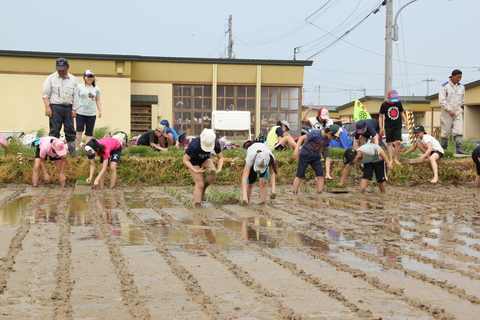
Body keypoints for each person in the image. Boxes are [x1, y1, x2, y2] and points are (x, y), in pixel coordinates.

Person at [42, 58, 79, 157]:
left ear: (67, 67)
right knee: (54, 130)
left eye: (63, 69)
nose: (61, 71)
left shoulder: (73, 79)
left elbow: (76, 95)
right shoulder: (50, 78)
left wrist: (74, 109)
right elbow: (45, 94)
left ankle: (72, 152)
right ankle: (53, 153)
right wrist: (47, 107)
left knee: (70, 130)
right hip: (55, 107)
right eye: (59, 69)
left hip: (68, 107)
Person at [301, 103, 348, 179]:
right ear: (318, 115)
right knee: (316, 158)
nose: (323, 119)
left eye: (325, 117)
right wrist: (308, 110)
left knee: (327, 157)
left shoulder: (328, 120)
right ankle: (316, 175)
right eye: (322, 117)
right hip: (315, 142)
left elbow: (333, 120)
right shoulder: (313, 120)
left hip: (324, 141)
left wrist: (341, 120)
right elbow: (303, 119)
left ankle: (327, 174)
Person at [292, 125, 343, 194]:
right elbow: (301, 138)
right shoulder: (315, 133)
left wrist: (319, 154)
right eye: (333, 137)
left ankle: (320, 193)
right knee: (300, 174)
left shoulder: (328, 139)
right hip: (305, 155)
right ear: (329, 133)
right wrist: (296, 150)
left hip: (316, 156)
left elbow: (322, 146)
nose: (333, 139)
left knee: (320, 175)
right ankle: (294, 192)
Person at [183, 128, 224, 205]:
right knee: (199, 184)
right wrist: (195, 171)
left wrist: (219, 168)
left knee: (213, 174)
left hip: (205, 159)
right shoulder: (193, 145)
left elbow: (220, 157)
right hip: (193, 161)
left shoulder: (215, 143)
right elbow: (185, 160)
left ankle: (203, 189)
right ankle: (198, 206)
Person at [439, 69, 467, 154]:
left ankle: (459, 149)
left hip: (457, 111)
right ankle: (444, 149)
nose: (459, 79)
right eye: (458, 77)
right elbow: (442, 101)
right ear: (453, 76)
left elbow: (462, 99)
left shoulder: (462, 87)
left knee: (459, 130)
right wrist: (449, 109)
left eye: (460, 77)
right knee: (446, 131)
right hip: (447, 112)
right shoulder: (444, 86)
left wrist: (456, 108)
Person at [75, 70, 102, 150]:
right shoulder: (79, 87)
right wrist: (73, 109)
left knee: (89, 132)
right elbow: (75, 98)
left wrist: (100, 110)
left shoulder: (96, 88)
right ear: (84, 77)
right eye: (88, 76)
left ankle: (87, 148)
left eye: (91, 77)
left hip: (91, 113)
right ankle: (76, 147)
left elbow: (98, 100)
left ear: (93, 78)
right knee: (79, 131)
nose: (89, 78)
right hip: (80, 112)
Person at [378, 90, 407, 165]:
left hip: (397, 125)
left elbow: (401, 112)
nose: (393, 102)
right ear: (388, 98)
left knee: (398, 142)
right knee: (390, 143)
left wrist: (405, 120)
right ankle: (390, 159)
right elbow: (380, 116)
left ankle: (396, 158)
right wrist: (381, 127)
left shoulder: (398, 103)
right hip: (388, 126)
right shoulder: (384, 105)